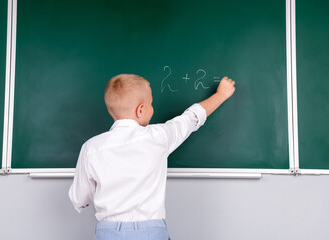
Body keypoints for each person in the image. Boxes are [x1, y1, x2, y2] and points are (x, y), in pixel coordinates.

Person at [69, 74, 235, 240]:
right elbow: (191, 118)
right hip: (150, 232)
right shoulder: (158, 137)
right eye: (151, 103)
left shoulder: (91, 148)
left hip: (108, 233)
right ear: (140, 110)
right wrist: (221, 95)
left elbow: (79, 199)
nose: (153, 107)